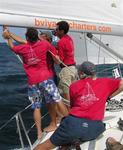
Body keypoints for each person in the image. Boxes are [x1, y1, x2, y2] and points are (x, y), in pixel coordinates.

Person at [34, 61, 123, 150]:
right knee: (80, 132)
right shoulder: (106, 82)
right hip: (96, 128)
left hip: (74, 125)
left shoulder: (74, 86)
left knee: (43, 147)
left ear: (81, 73)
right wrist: (108, 97)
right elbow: (121, 84)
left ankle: (66, 143)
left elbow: (72, 107)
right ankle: (70, 141)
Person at [2, 27, 68, 139]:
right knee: (57, 99)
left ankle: (38, 133)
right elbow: (52, 51)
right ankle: (70, 121)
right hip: (46, 79)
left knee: (36, 107)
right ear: (37, 36)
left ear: (27, 38)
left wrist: (8, 36)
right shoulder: (44, 44)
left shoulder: (23, 48)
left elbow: (12, 46)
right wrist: (9, 35)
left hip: (33, 82)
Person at [55, 21, 78, 102]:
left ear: (62, 31)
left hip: (66, 70)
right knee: (73, 94)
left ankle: (70, 113)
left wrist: (53, 55)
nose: (55, 31)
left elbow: (59, 60)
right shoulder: (69, 38)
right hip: (73, 69)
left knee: (66, 95)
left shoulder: (61, 42)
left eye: (57, 29)